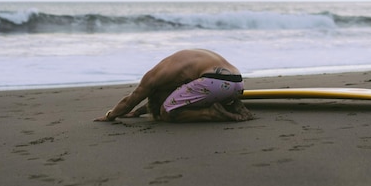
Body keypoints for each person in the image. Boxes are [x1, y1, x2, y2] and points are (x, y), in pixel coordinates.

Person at [94, 49, 255, 122]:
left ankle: (213, 113)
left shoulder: (152, 77)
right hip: (237, 84)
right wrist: (136, 113)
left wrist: (110, 115)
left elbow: (131, 99)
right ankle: (230, 105)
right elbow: (180, 96)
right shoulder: (174, 65)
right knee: (179, 100)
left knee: (168, 112)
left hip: (214, 81)